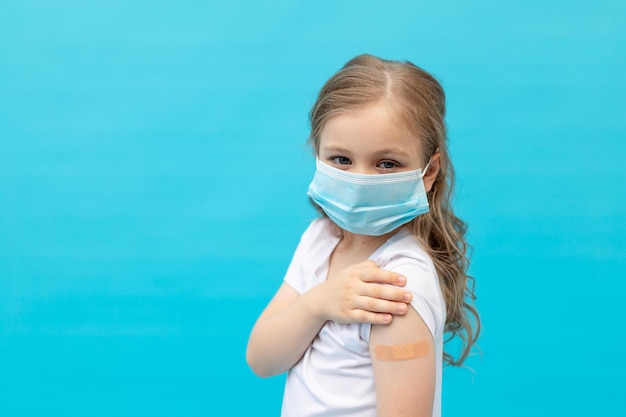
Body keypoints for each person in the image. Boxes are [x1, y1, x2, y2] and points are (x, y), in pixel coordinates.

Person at [246, 54, 480, 417]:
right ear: (317, 153)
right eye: (341, 159)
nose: (361, 181)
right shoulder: (319, 240)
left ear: (429, 171)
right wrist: (319, 302)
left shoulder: (394, 287)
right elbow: (262, 358)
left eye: (387, 164)